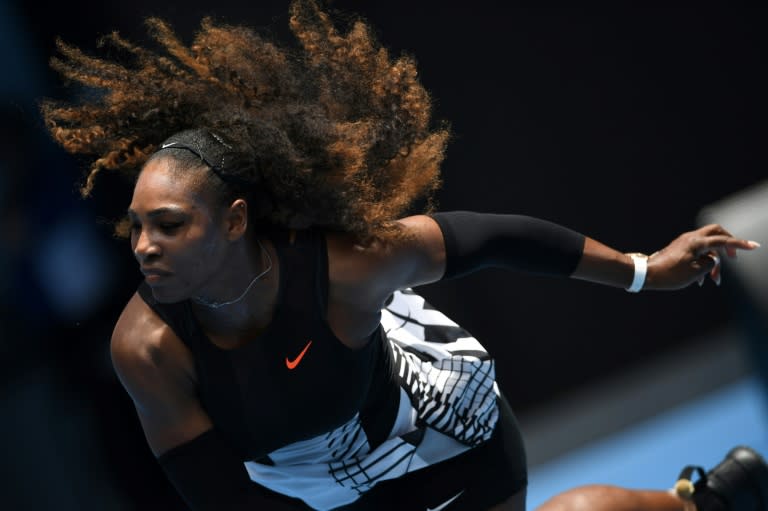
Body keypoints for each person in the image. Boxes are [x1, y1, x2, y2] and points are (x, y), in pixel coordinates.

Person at [41, 1, 768, 509]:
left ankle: (697, 501)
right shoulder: (146, 348)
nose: (144, 247)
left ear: (235, 221)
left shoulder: (347, 266)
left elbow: (495, 236)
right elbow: (219, 493)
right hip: (312, 494)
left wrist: (646, 270)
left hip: (437, 436)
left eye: (167, 225)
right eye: (135, 227)